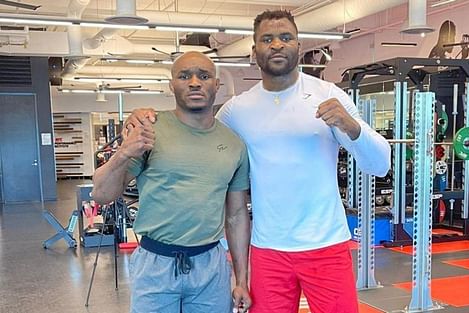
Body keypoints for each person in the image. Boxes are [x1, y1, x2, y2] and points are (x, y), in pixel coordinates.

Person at [126, 10, 390, 313]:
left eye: (286, 37)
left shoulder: (328, 96)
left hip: (326, 244)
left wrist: (352, 127)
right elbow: (194, 128)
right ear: (255, 52)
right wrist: (144, 116)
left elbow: (379, 164)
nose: (277, 44)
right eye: (267, 39)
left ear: (299, 48)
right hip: (267, 250)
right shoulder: (237, 110)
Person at [92, 51, 252, 313]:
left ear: (216, 85)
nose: (194, 82)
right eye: (184, 76)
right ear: (172, 85)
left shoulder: (234, 144)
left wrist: (242, 280)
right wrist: (123, 153)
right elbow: (101, 194)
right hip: (156, 263)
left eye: (203, 76)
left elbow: (236, 216)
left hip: (210, 266)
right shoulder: (149, 129)